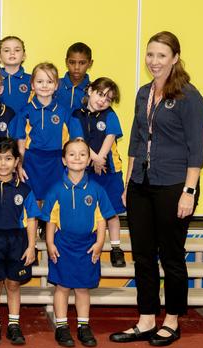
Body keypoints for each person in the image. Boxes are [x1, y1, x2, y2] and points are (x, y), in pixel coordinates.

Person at [110, 31, 203, 347]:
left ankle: (173, 319)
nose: (154, 61)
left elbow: (196, 150)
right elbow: (137, 139)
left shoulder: (189, 97)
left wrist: (189, 192)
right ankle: (146, 318)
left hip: (175, 185)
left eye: (161, 55)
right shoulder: (142, 93)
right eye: (150, 54)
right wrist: (128, 183)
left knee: (172, 257)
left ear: (175, 58)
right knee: (142, 256)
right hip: (141, 183)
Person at [42, 138, 115, 348]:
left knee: (83, 289)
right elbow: (51, 220)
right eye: (72, 154)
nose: (77, 158)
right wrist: (50, 243)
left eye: (83, 154)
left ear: (89, 159)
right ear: (64, 160)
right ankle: (62, 327)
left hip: (87, 246)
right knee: (62, 287)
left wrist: (100, 242)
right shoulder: (56, 189)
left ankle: (83, 326)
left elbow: (102, 219)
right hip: (62, 244)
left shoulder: (97, 189)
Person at [0, 137, 39, 346]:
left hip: (18, 240)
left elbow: (31, 219)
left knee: (13, 284)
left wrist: (31, 247)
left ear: (16, 161)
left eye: (8, 158)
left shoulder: (25, 190)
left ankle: (14, 324)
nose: (3, 163)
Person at [19, 63, 83, 236]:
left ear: (56, 85)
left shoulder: (64, 111)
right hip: (32, 159)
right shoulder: (25, 111)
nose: (44, 86)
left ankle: (49, 227)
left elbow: (76, 139)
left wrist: (73, 162)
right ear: (32, 84)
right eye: (40, 81)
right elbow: (20, 140)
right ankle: (35, 226)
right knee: (34, 195)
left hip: (56, 160)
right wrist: (19, 165)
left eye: (49, 82)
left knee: (53, 195)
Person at [71, 77, 127, 267]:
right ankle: (86, 246)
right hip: (85, 170)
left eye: (108, 98)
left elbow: (110, 137)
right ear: (90, 91)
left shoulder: (110, 115)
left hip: (109, 171)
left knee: (111, 212)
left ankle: (116, 248)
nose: (103, 100)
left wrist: (101, 158)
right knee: (87, 210)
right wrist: (94, 159)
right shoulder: (76, 115)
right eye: (100, 94)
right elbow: (79, 139)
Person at [0, 36, 32, 114]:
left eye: (17, 50)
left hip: (26, 125)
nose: (12, 53)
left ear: (24, 56)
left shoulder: (33, 80)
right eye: (6, 50)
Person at [56, 42, 93, 114]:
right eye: (72, 62)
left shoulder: (94, 91)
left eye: (82, 63)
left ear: (90, 63)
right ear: (66, 62)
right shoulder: (54, 86)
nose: (76, 67)